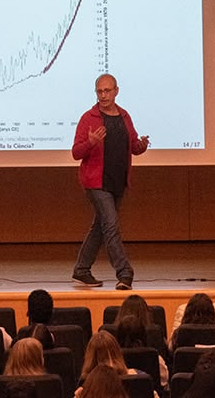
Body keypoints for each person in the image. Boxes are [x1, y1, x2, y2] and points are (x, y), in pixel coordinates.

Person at [70, 73, 150, 291]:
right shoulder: (89, 118)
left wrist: (141, 145)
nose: (103, 95)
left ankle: (81, 269)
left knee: (100, 227)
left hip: (118, 181)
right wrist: (91, 142)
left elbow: (133, 145)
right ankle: (125, 274)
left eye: (107, 90)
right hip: (95, 183)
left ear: (116, 91)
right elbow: (76, 152)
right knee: (111, 226)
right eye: (99, 91)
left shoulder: (124, 116)